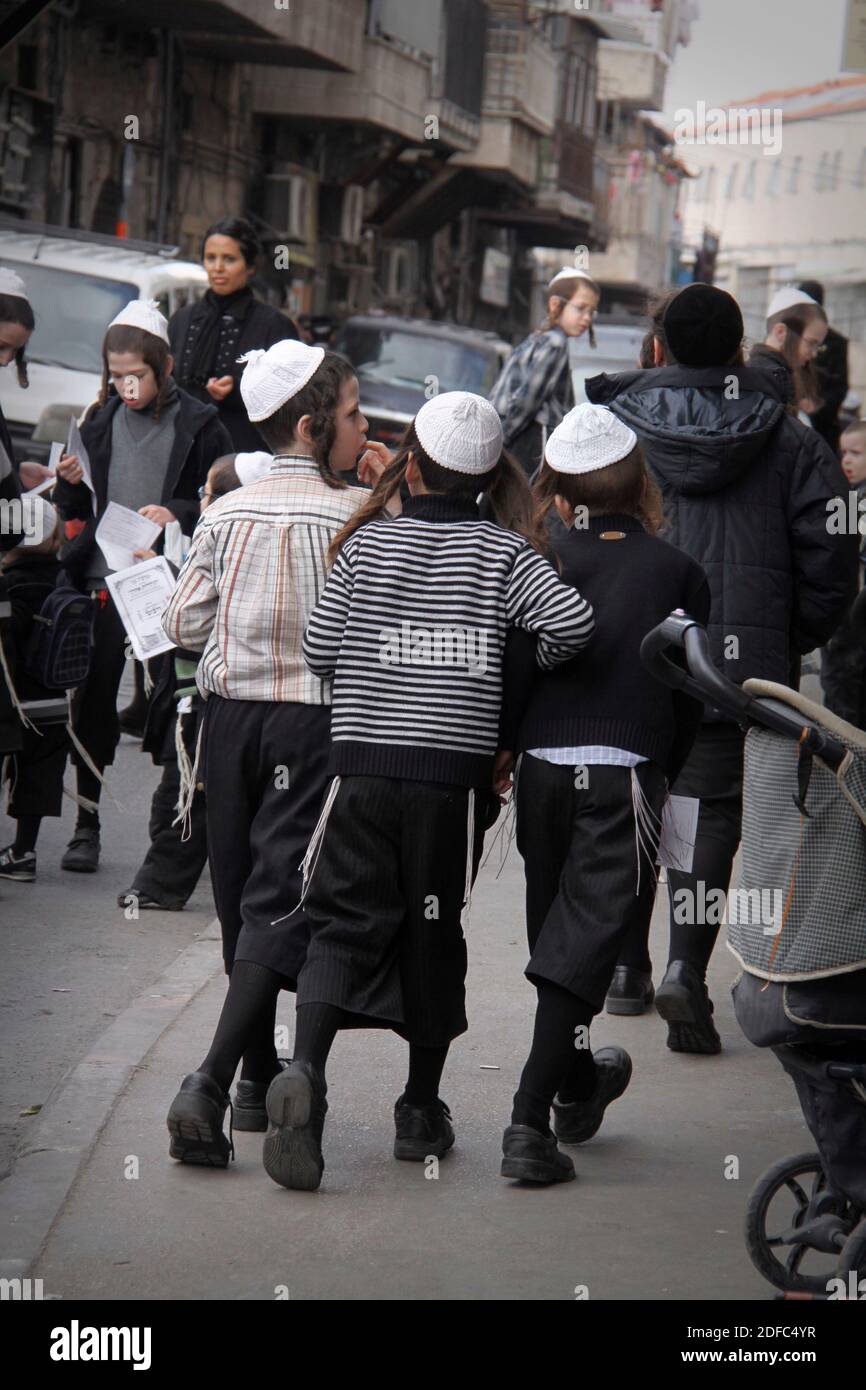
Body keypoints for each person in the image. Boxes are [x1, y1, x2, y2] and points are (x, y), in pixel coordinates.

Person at [254, 391, 596, 1194]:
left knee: (338, 926)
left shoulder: (368, 546)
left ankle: (306, 1070)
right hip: (451, 786)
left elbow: (317, 646)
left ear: (412, 466)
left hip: (362, 770)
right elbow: (572, 627)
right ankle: (419, 1108)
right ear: (487, 479)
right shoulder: (508, 555)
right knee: (432, 930)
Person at [587, 282, 858, 1053]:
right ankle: (682, 969)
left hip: (629, 653)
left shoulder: (615, 425)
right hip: (736, 668)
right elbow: (833, 553)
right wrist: (782, 634)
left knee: (635, 797)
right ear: (740, 349)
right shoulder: (792, 437)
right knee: (707, 811)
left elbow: (568, 522)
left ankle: (626, 971)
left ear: (660, 346)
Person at [161, 340, 382, 1164]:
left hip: (230, 723)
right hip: (311, 727)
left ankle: (253, 1082)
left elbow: (181, 625)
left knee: (239, 898)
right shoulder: (357, 516)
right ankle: (212, 1081)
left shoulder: (224, 513)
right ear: (309, 424)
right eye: (355, 414)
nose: (364, 429)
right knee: (282, 897)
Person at [502, 404, 710, 1184]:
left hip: (543, 772)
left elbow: (517, 664)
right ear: (639, 487)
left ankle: (578, 1084)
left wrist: (506, 747)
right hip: (625, 775)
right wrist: (668, 770)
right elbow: (688, 692)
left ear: (559, 494)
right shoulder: (678, 571)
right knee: (581, 945)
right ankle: (527, 1122)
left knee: (558, 936)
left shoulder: (541, 556)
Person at [52, 299, 231, 874]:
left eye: (137, 376)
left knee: (177, 707)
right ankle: (86, 824)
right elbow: (78, 508)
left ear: (165, 368)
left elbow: (221, 499)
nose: (126, 387)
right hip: (107, 584)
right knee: (94, 705)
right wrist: (71, 487)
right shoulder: (97, 422)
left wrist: (175, 512)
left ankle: (175, 829)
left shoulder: (201, 424)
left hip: (168, 588)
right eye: (116, 376)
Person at [118, 455, 245, 912]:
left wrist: (166, 576)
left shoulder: (231, 539)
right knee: (179, 790)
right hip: (193, 696)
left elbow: (197, 618)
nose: (201, 500)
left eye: (206, 492)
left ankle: (159, 885)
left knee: (186, 792)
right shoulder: (214, 537)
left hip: (210, 695)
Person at [168, 216, 299, 453]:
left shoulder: (274, 325)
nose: (218, 267)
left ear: (250, 267)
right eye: (211, 258)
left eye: (229, 259)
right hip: (183, 451)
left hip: (244, 457)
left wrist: (240, 390)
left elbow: (292, 398)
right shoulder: (181, 321)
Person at [0, 498, 69, 880]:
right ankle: (23, 852)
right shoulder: (63, 579)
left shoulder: (9, 585)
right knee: (39, 774)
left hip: (10, 702)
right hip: (52, 698)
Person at [490, 267, 600, 481]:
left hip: (515, 432)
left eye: (591, 312)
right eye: (580, 308)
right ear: (555, 304)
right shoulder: (555, 343)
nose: (586, 318)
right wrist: (501, 439)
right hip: (531, 437)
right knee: (524, 502)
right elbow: (528, 400)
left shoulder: (538, 339)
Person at [821, 420, 866, 729]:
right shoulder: (848, 499)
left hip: (851, 633)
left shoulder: (853, 504)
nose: (846, 460)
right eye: (843, 453)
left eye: (857, 453)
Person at [750, 286, 828, 423]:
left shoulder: (776, 374)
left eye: (818, 346)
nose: (814, 353)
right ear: (780, 332)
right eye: (811, 343)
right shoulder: (767, 377)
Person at [797, 280, 849, 453]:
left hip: (822, 429)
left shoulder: (835, 342)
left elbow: (839, 387)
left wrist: (816, 406)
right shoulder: (785, 337)